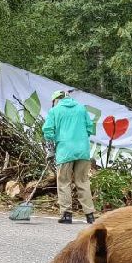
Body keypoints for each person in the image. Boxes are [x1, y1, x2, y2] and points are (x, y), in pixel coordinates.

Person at [43, 89, 96, 224]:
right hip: (83, 151)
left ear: (56, 100)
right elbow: (90, 128)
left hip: (65, 151)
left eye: (53, 101)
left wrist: (51, 149)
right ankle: (90, 215)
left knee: (64, 182)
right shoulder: (81, 109)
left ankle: (66, 215)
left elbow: (48, 131)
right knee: (83, 181)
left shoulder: (55, 111)